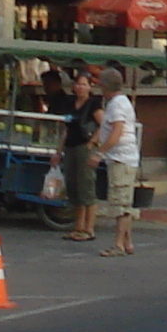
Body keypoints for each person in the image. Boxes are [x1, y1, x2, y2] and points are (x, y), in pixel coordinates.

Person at [93, 67, 143, 257]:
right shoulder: (120, 103)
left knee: (120, 204)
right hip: (123, 157)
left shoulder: (116, 105)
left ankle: (118, 244)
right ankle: (127, 241)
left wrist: (99, 153)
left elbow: (117, 132)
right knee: (124, 202)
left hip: (121, 157)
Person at [60, 69, 105, 241]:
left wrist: (92, 143)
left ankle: (89, 228)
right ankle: (78, 226)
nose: (80, 87)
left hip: (84, 147)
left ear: (90, 87)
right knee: (74, 186)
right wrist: (59, 150)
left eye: (83, 84)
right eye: (77, 84)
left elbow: (103, 124)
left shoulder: (93, 104)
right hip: (70, 147)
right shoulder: (70, 103)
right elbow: (65, 128)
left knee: (86, 186)